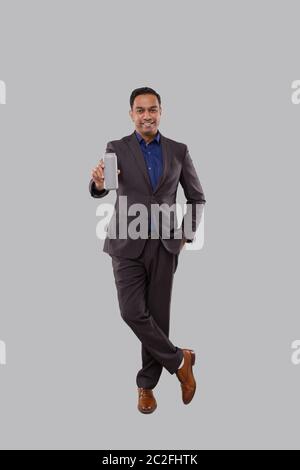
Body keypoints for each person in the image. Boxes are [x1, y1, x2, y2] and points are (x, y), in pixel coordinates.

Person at [89, 87, 206, 414]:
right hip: (125, 242)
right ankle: (181, 361)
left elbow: (197, 197)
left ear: (161, 111)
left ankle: (146, 386)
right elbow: (103, 188)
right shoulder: (117, 147)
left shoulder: (178, 150)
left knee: (157, 316)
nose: (146, 115)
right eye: (140, 110)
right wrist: (98, 183)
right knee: (131, 312)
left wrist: (185, 236)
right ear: (131, 114)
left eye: (152, 109)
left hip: (165, 245)